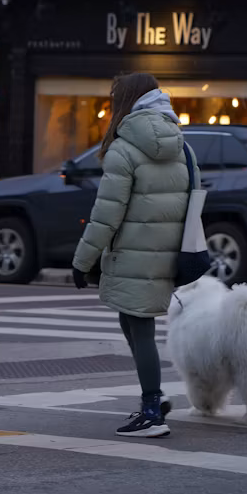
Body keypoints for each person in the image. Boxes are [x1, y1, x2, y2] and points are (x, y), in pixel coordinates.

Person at [71, 73, 190, 438]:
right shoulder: (180, 143)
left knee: (139, 327)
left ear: (125, 102)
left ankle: (153, 410)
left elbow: (106, 213)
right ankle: (152, 397)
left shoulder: (124, 147)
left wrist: (82, 260)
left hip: (134, 253)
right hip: (163, 252)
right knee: (133, 323)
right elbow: (193, 199)